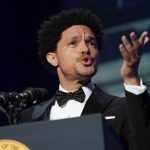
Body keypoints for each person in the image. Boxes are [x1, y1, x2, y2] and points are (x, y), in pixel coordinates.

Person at [19, 8, 150, 150]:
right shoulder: (28, 118)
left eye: (91, 43)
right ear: (53, 58)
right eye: (73, 43)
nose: (85, 49)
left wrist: (131, 78)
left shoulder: (123, 109)